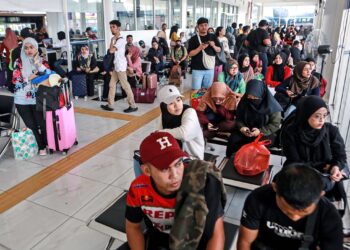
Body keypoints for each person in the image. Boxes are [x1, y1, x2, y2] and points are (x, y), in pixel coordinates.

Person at [125, 131, 225, 250]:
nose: (175, 175)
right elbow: (133, 227)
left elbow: (216, 232)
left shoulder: (201, 181)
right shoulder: (138, 189)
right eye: (165, 169)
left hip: (196, 242)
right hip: (160, 239)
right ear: (147, 170)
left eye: (178, 164)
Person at [237, 163, 343, 250]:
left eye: (304, 212)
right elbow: (245, 242)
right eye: (288, 212)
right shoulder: (258, 198)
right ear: (275, 188)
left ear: (320, 194)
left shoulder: (329, 215)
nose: (295, 217)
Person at [281, 96, 349, 205]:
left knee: (332, 178)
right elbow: (296, 162)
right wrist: (326, 167)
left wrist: (335, 167)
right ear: (305, 115)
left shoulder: (331, 130)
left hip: (325, 175)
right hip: (300, 172)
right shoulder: (291, 133)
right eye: (317, 116)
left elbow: (340, 156)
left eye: (324, 116)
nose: (322, 120)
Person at [12, 37, 51, 156]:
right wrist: (30, 77)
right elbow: (15, 80)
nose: (28, 50)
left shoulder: (41, 60)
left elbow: (48, 74)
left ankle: (47, 142)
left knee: (42, 124)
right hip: (21, 98)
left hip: (37, 98)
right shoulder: (19, 61)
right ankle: (41, 146)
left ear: (36, 48)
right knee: (31, 125)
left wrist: (37, 63)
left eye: (31, 47)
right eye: (26, 48)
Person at [226, 79, 282, 157]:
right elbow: (239, 118)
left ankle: (251, 166)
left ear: (261, 94)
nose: (252, 99)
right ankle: (230, 160)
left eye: (255, 98)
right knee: (233, 140)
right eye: (249, 97)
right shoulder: (245, 101)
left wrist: (260, 131)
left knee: (255, 148)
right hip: (246, 130)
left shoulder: (271, 106)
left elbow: (275, 124)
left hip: (265, 132)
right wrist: (242, 127)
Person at [101, 20, 138, 113]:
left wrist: (112, 40)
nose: (111, 29)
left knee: (125, 86)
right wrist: (112, 40)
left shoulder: (120, 40)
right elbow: (111, 51)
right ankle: (110, 105)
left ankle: (133, 105)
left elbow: (111, 51)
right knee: (111, 85)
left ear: (118, 28)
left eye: (113, 27)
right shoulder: (116, 40)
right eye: (110, 27)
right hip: (116, 66)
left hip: (121, 67)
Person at [158, 85, 204, 159]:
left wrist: (161, 132)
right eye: (171, 103)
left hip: (192, 158)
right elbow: (158, 136)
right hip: (173, 155)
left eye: (178, 100)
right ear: (163, 106)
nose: (177, 105)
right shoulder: (164, 115)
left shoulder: (190, 112)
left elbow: (184, 134)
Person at [187, 17, 221, 93]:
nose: (204, 27)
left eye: (205, 25)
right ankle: (193, 104)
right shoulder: (193, 39)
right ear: (198, 26)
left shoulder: (213, 37)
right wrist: (199, 48)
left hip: (210, 69)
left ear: (208, 25)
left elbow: (219, 49)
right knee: (195, 90)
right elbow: (190, 54)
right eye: (201, 25)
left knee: (207, 90)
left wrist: (213, 46)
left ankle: (204, 104)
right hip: (197, 69)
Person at [0, 27, 18, 92]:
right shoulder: (16, 39)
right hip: (16, 60)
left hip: (8, 60)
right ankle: (16, 87)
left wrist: (3, 54)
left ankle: (10, 88)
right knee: (16, 74)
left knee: (9, 74)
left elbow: (0, 51)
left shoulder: (4, 41)